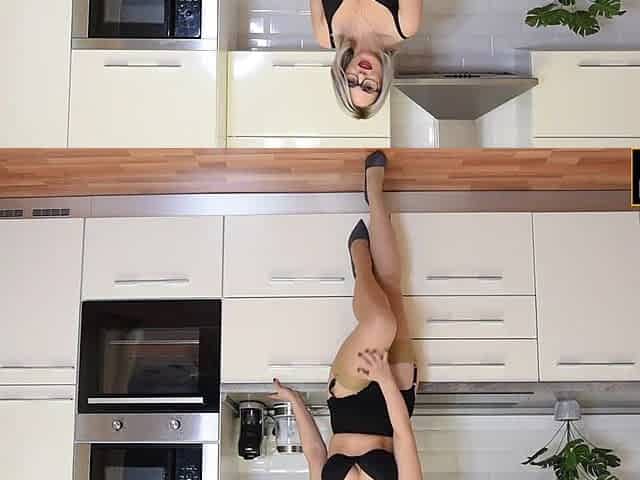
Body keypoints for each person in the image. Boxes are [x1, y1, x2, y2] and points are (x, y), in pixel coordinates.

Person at [271, 150, 422, 480]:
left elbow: (315, 453)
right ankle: (374, 192)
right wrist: (385, 380)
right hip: (395, 396)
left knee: (381, 322)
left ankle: (361, 263)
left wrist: (294, 400)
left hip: (348, 398)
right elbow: (403, 437)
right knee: (392, 287)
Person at [310, 0, 423, 119]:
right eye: (369, 87)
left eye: (351, 81)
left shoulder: (324, 34)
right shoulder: (407, 24)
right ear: (382, 84)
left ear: (343, 74)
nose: (361, 76)